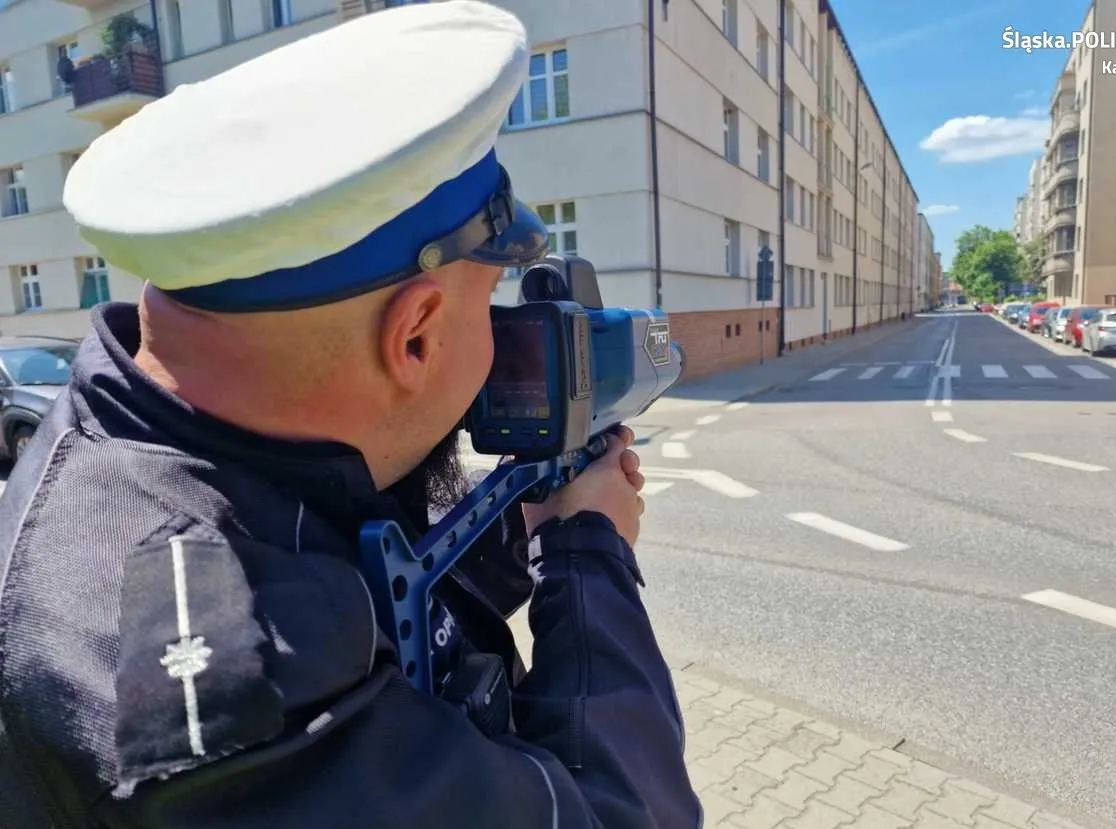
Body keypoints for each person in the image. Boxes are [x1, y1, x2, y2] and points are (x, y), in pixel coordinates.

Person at [0, 2, 701, 827]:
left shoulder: (195, 439)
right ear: (414, 334)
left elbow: (382, 579)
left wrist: (537, 518)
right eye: (490, 305)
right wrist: (591, 558)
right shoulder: (237, 696)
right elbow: (625, 815)